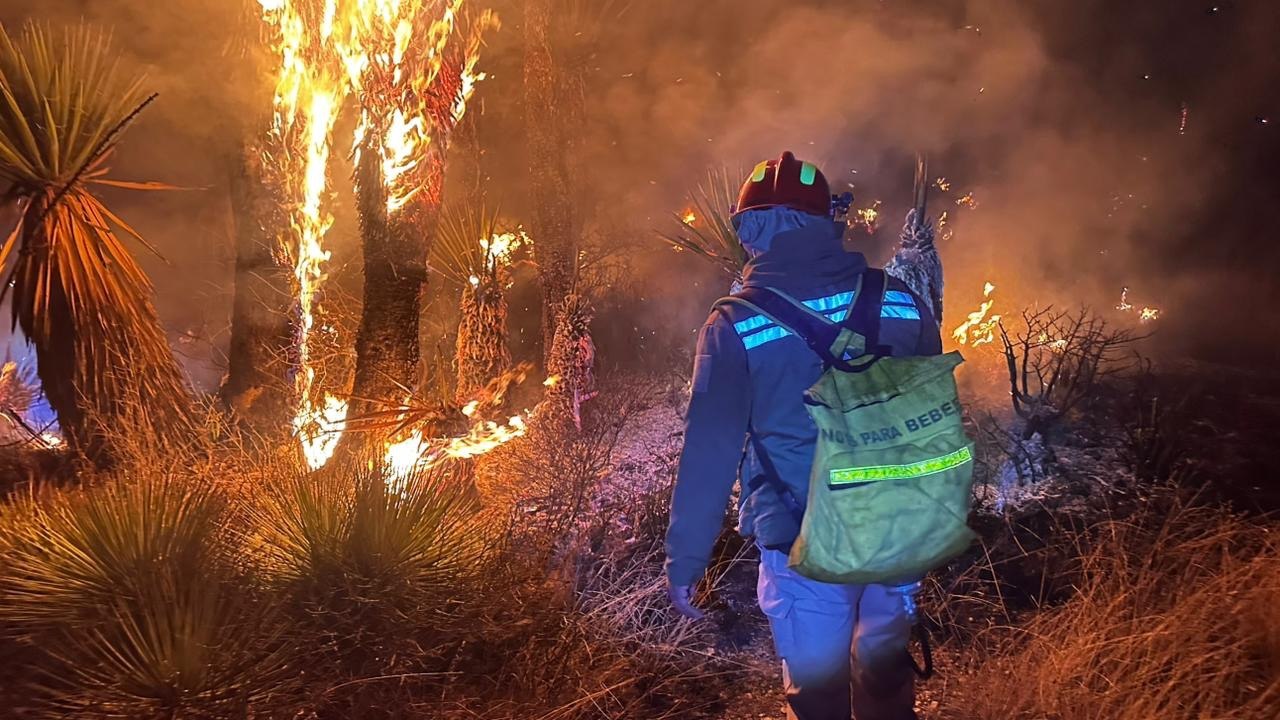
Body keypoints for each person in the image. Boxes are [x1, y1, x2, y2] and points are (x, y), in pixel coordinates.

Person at [664, 151, 943, 720]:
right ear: (827, 219)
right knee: (886, 687)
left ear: (747, 228)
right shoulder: (902, 300)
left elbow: (709, 453)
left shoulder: (734, 323)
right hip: (895, 535)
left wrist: (686, 560)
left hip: (803, 543)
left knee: (818, 700)